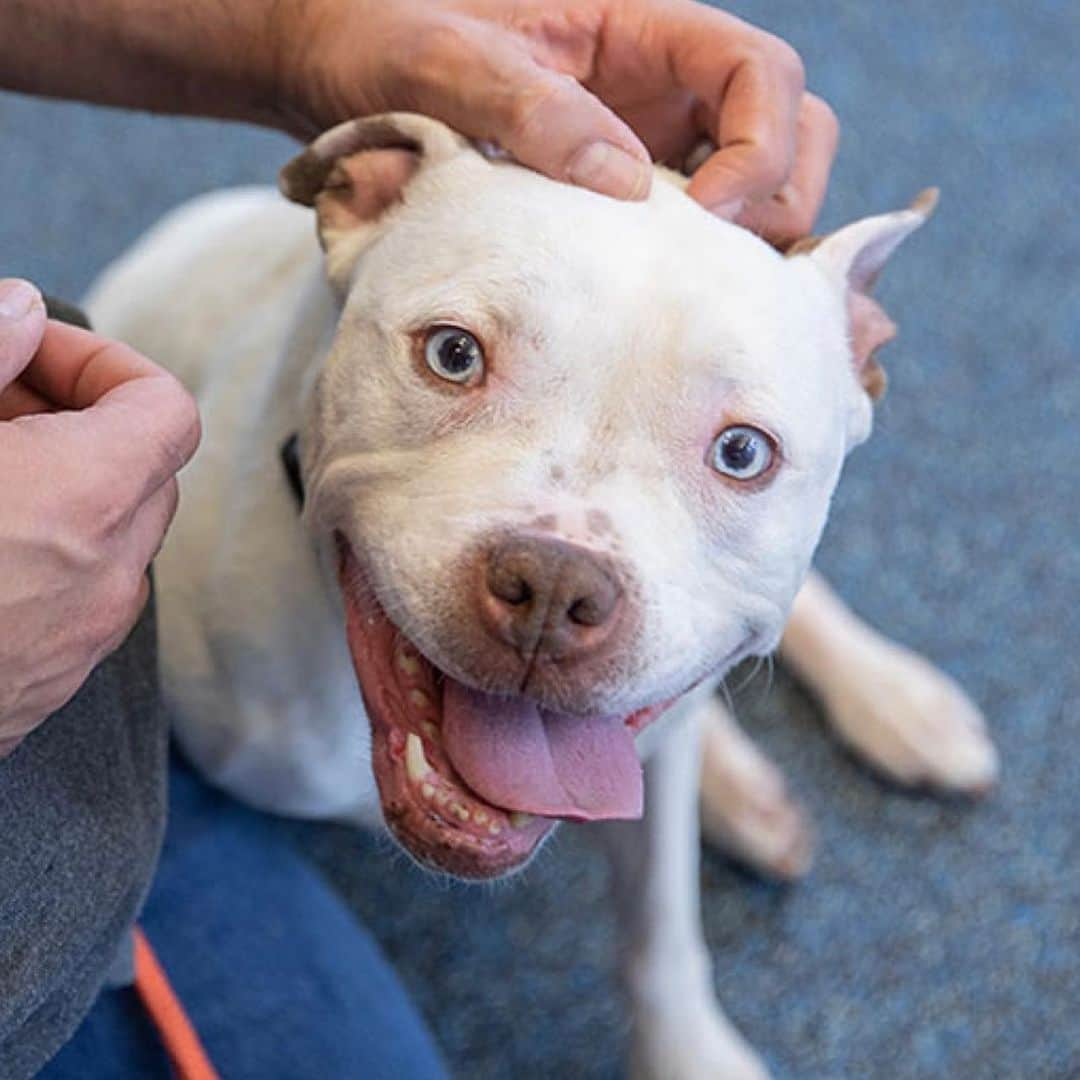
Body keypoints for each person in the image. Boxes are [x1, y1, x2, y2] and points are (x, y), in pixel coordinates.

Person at [0, 1, 839, 1075]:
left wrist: (305, 39)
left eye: (739, 455)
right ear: (362, 201)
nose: (556, 577)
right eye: (455, 355)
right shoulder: (213, 650)